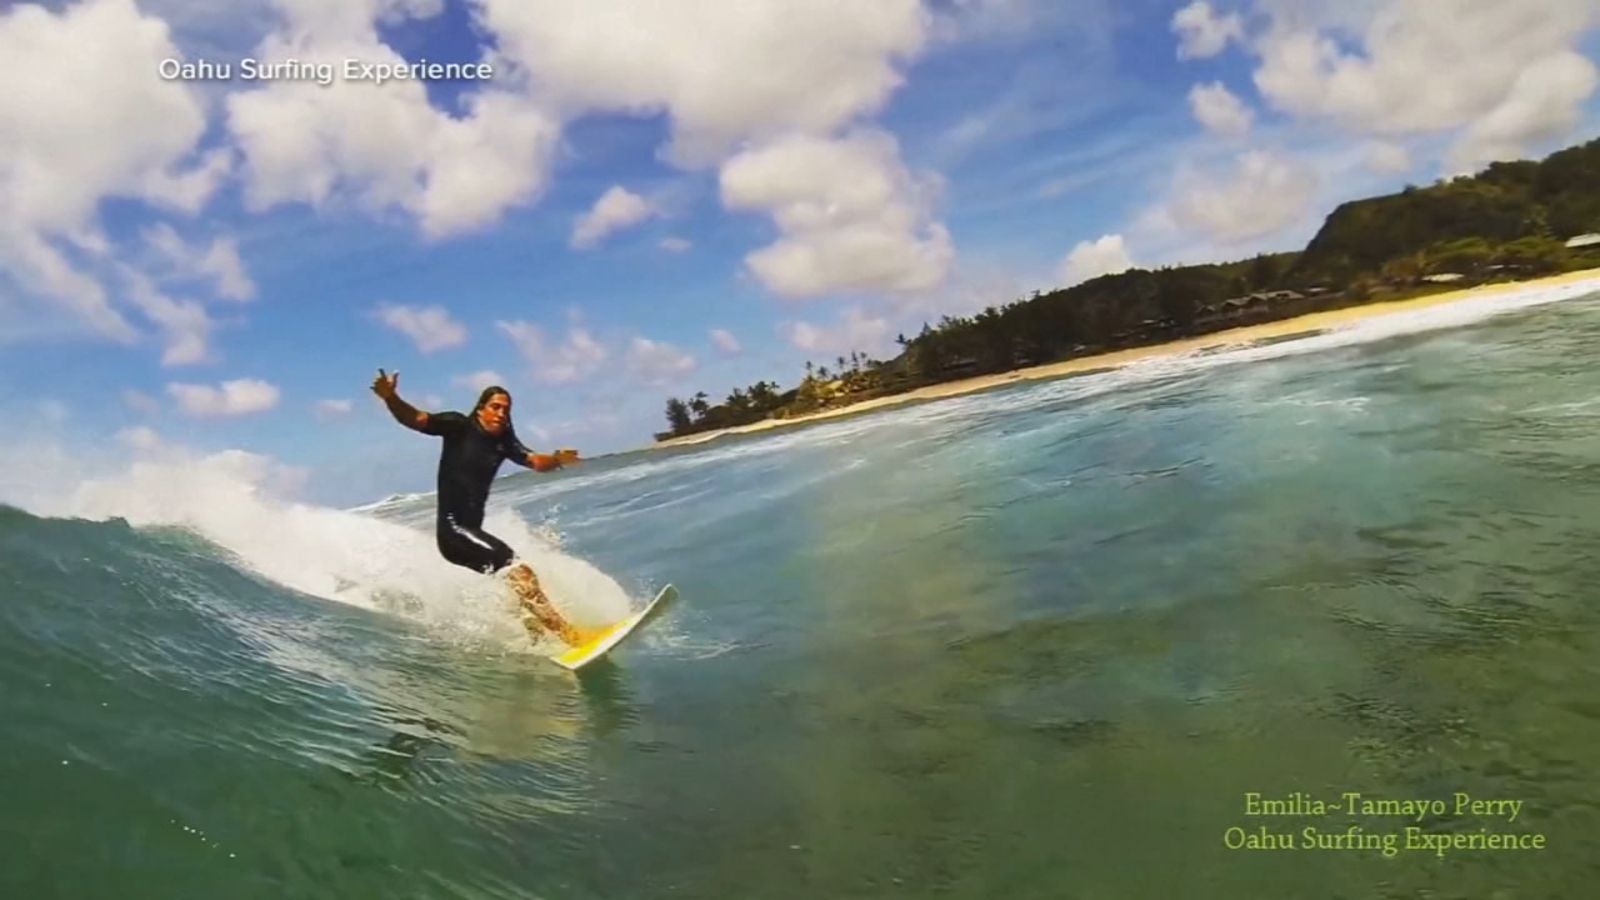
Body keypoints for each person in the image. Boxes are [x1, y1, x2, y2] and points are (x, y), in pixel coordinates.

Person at [369, 368, 589, 646]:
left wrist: (557, 459)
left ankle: (537, 640)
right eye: (495, 407)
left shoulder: (503, 442)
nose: (501, 414)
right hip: (453, 533)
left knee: (517, 580)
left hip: (470, 530)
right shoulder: (458, 426)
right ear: (481, 409)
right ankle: (571, 637)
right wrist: (391, 398)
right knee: (519, 570)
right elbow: (416, 419)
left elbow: (533, 461)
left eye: (506, 410)